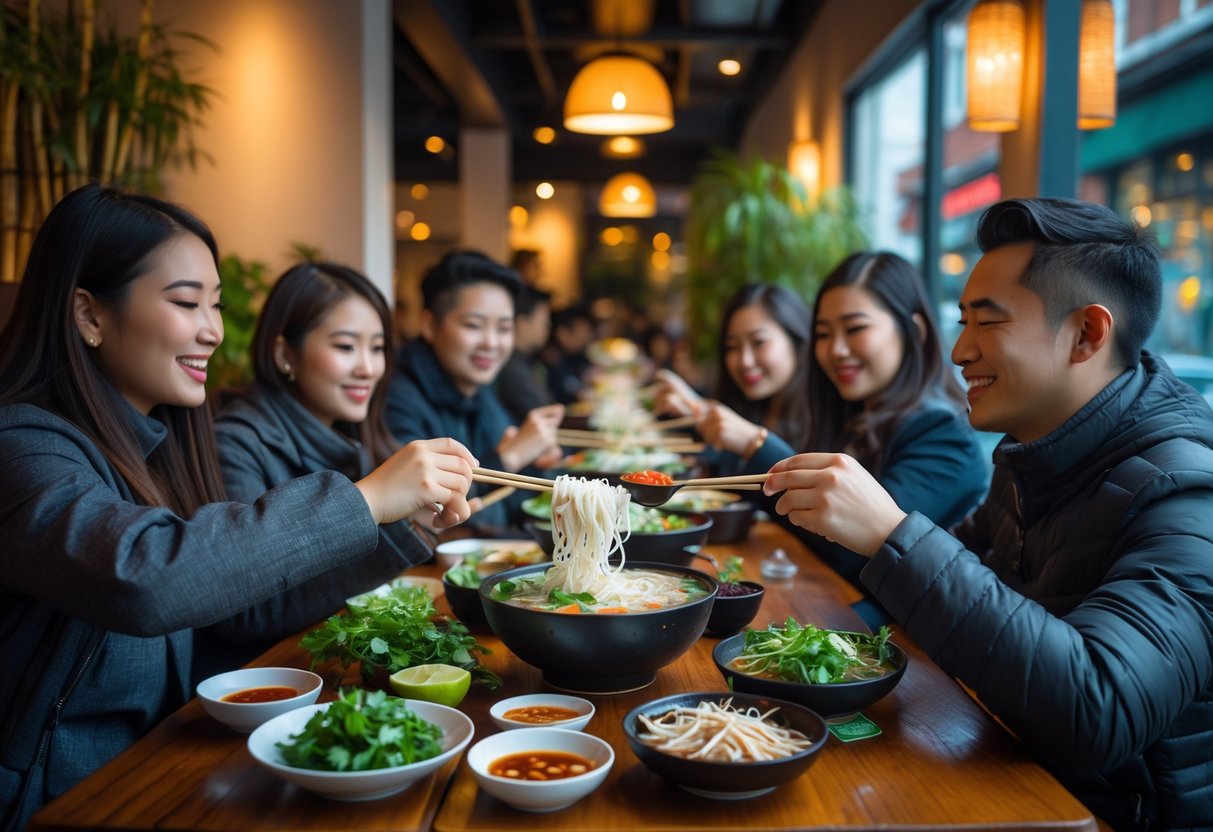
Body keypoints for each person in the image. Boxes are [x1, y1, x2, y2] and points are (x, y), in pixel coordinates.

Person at [0, 185, 475, 830]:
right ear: (88, 314)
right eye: (186, 303)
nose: (213, 331)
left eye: (216, 306)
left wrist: (401, 515)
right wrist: (365, 501)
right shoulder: (21, 450)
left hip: (165, 770)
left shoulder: (159, 445)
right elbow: (145, 578)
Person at [764, 198, 1213, 830]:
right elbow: (943, 590)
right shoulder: (1030, 458)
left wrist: (892, 533)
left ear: (1087, 333)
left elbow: (1099, 709)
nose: (958, 351)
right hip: (1000, 775)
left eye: (987, 323)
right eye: (961, 321)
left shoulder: (1188, 493)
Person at [198, 262, 431, 680]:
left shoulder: (350, 433)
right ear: (285, 353)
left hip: (330, 662)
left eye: (377, 348)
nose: (368, 367)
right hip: (264, 682)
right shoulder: (236, 442)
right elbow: (244, 612)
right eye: (345, 347)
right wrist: (396, 529)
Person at [385, 251, 563, 529]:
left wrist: (534, 460)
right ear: (431, 325)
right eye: (473, 325)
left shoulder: (479, 390)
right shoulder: (396, 397)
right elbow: (424, 512)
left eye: (503, 328)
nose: (491, 343)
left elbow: (511, 496)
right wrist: (510, 457)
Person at [653, 284, 812, 476]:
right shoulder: (749, 407)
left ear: (797, 342)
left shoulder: (821, 422)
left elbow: (809, 488)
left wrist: (754, 443)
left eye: (759, 342)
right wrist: (695, 413)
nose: (744, 361)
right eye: (732, 347)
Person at [494, 284, 555, 423]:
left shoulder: (526, 362)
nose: (548, 329)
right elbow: (545, 416)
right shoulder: (512, 369)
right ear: (521, 323)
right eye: (544, 323)